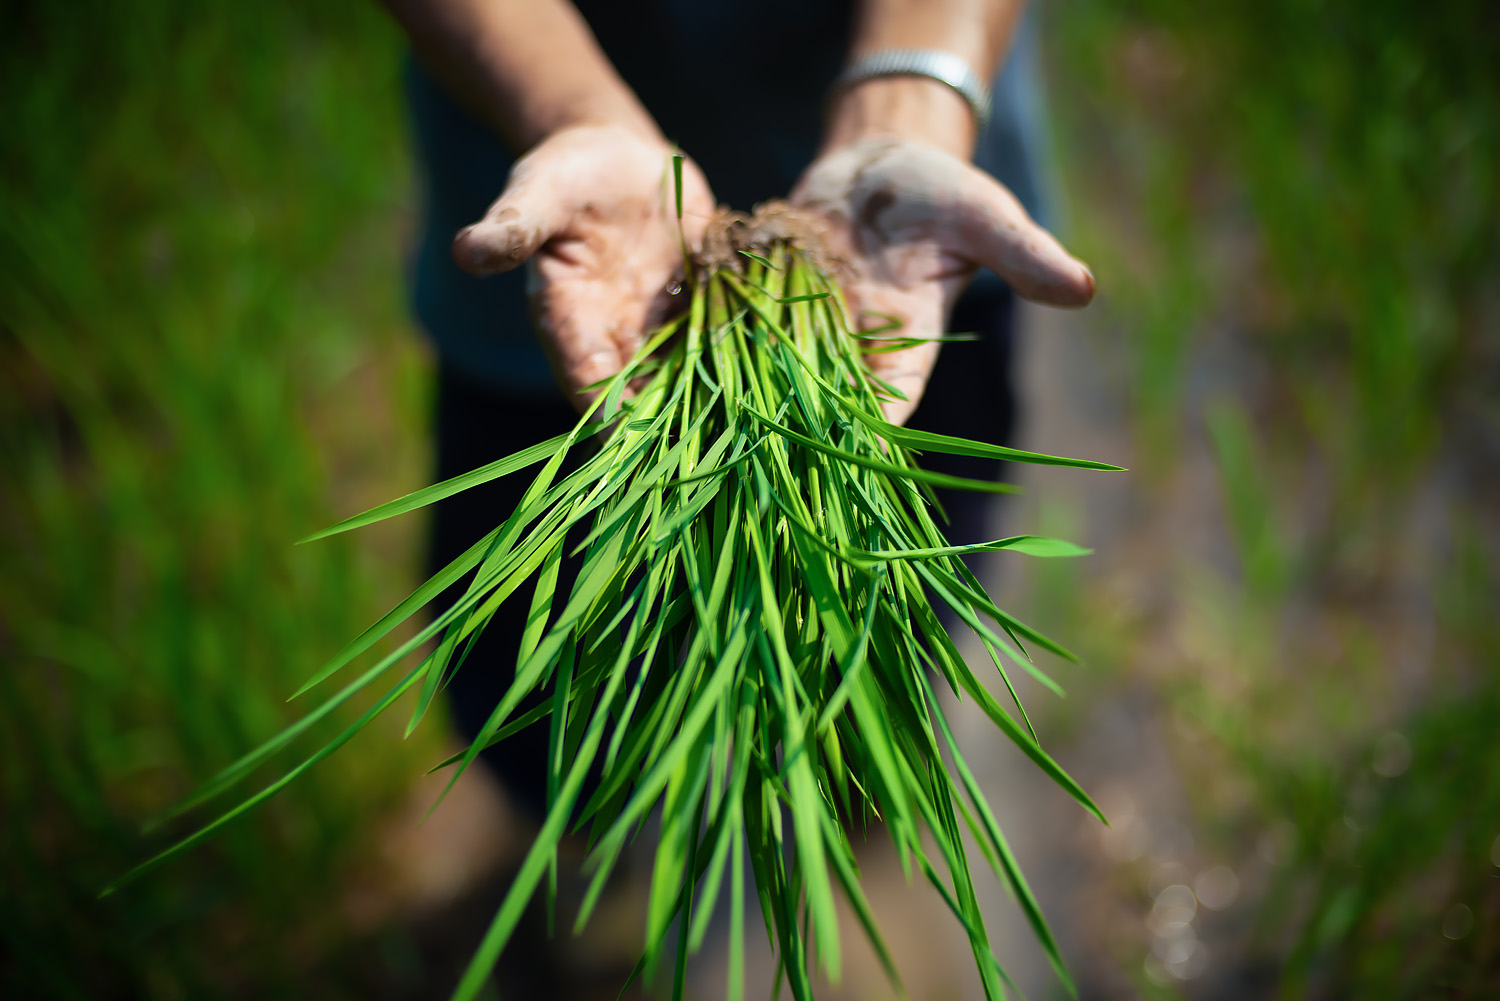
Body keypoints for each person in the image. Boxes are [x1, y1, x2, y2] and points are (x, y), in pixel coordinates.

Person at [382, 0, 1092, 844]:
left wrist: (910, 96)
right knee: (537, 699)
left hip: (895, 252)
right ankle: (592, 869)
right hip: (575, 248)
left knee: (882, 638)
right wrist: (567, 107)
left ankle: (850, 816)